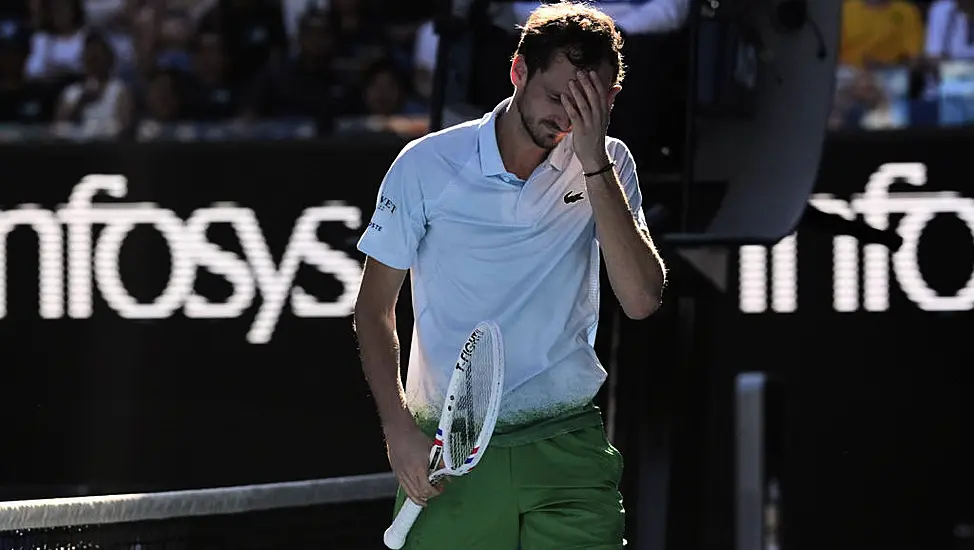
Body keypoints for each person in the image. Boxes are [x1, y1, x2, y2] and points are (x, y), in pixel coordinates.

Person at [353, 2, 667, 548]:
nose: (566, 117)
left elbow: (641, 300)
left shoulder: (610, 165)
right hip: (446, 456)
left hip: (569, 452)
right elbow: (373, 307)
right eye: (555, 96)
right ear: (518, 72)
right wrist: (398, 430)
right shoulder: (424, 165)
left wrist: (594, 164)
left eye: (585, 103)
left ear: (609, 100)